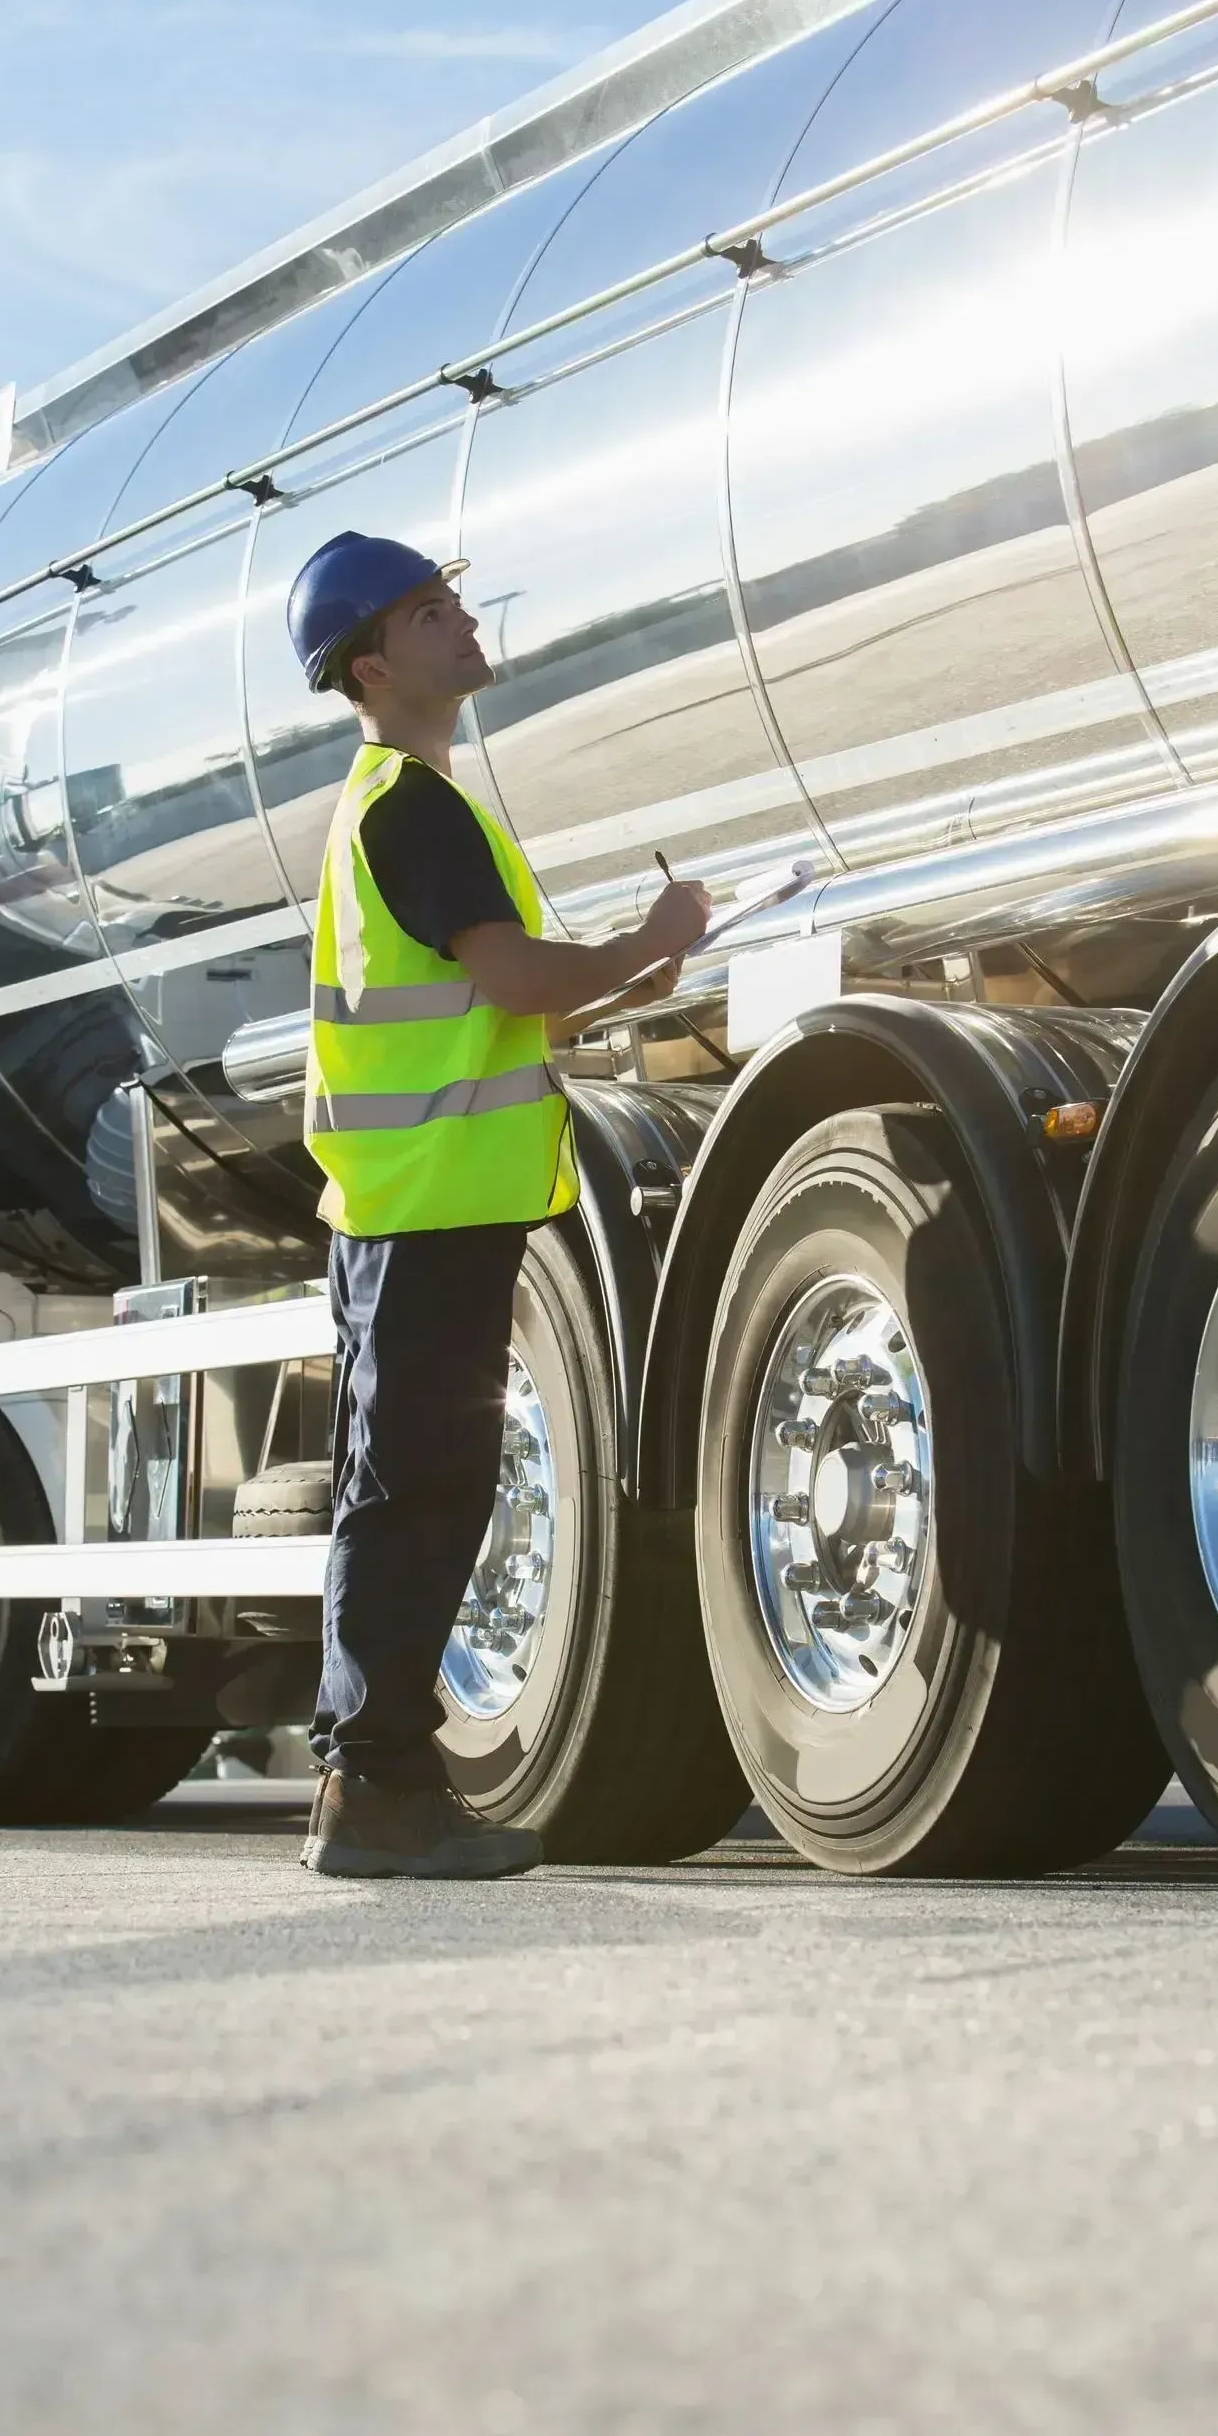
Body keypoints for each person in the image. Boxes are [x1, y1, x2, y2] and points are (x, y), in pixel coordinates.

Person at [285, 529, 708, 1880]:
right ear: (372, 665)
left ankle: (376, 1786)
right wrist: (642, 947)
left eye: (453, 598)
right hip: (421, 1209)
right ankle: (375, 1794)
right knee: (414, 1492)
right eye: (427, 613)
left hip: (420, 1208)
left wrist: (635, 974)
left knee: (412, 1487)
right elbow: (516, 979)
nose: (460, 622)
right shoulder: (410, 806)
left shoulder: (411, 804)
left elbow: (495, 999)